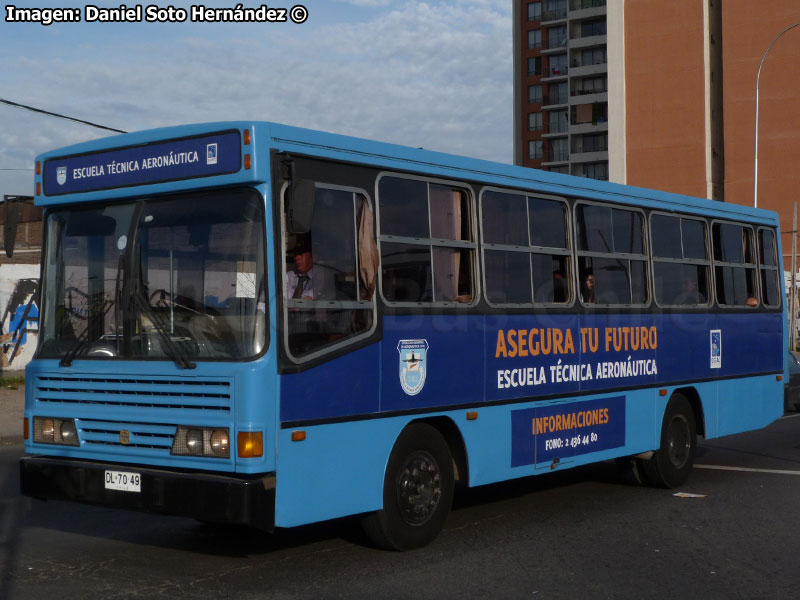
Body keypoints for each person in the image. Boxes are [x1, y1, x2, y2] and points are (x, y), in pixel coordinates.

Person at [285, 233, 332, 300]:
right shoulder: (289, 276)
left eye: (301, 254)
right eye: (295, 254)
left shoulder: (321, 275)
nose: (296, 258)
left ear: (314, 257)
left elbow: (309, 297)